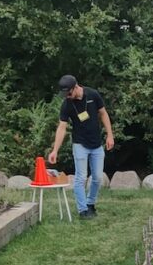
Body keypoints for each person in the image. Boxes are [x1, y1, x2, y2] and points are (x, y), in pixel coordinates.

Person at [48, 74, 115, 219]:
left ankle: (91, 203)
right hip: (80, 144)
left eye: (69, 93)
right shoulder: (67, 104)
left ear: (76, 87)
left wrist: (110, 135)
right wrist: (55, 150)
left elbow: (103, 114)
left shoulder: (93, 94)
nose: (67, 96)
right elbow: (62, 127)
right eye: (65, 94)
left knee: (97, 177)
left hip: (96, 144)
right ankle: (83, 210)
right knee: (81, 177)